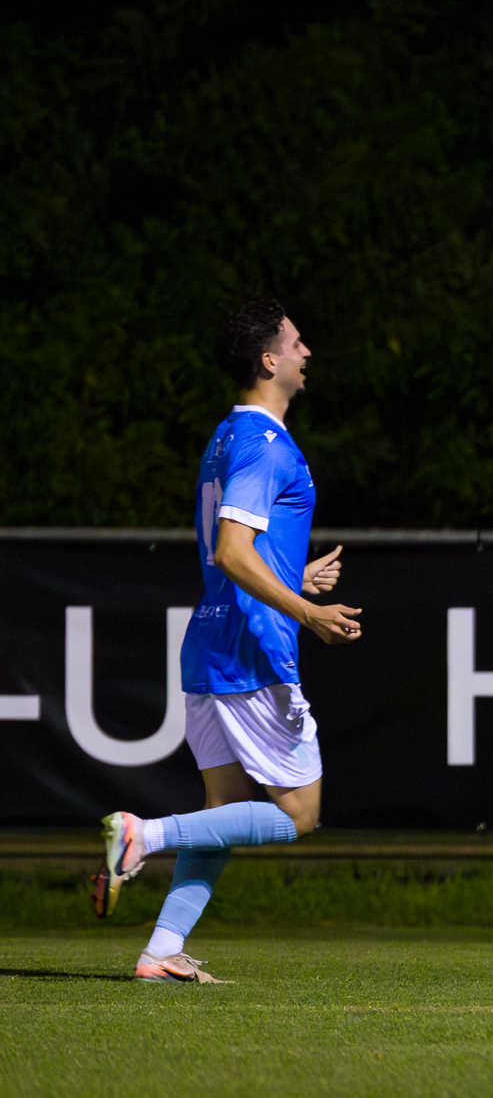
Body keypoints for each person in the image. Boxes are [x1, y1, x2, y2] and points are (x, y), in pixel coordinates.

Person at [93, 298, 363, 982]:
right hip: (251, 652)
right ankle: (143, 834)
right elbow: (231, 551)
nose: (306, 353)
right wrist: (307, 610)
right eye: (296, 343)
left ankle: (161, 950)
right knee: (299, 814)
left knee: (224, 810)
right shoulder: (266, 445)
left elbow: (240, 556)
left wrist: (295, 575)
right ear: (269, 360)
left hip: (210, 645)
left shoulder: (225, 436)